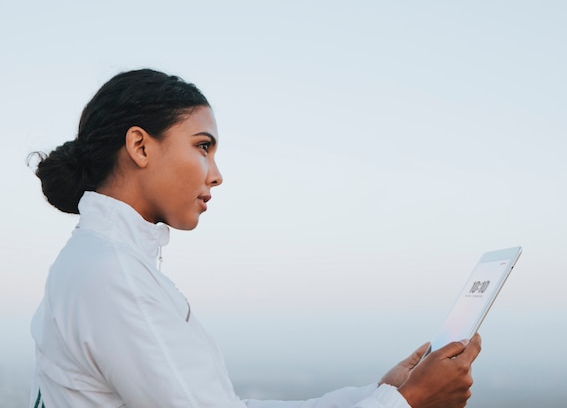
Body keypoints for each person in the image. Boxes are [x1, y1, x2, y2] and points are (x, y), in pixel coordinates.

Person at [29, 69, 481, 408]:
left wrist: (380, 394)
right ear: (141, 146)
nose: (217, 174)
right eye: (203, 146)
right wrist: (409, 402)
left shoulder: (101, 260)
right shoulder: (115, 274)